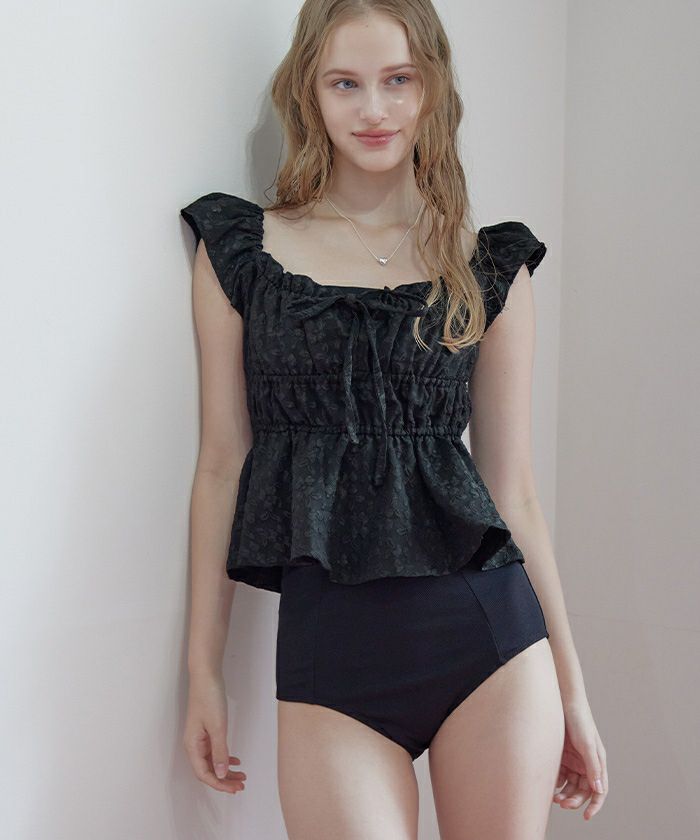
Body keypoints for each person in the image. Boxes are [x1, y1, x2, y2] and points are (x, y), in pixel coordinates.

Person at [180, 1, 608, 837]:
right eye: (345, 83)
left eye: (398, 80)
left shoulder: (488, 265)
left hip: (491, 645)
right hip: (331, 662)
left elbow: (514, 492)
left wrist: (572, 690)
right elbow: (221, 464)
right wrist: (203, 672)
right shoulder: (243, 252)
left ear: (431, 88)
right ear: (308, 93)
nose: (373, 109)